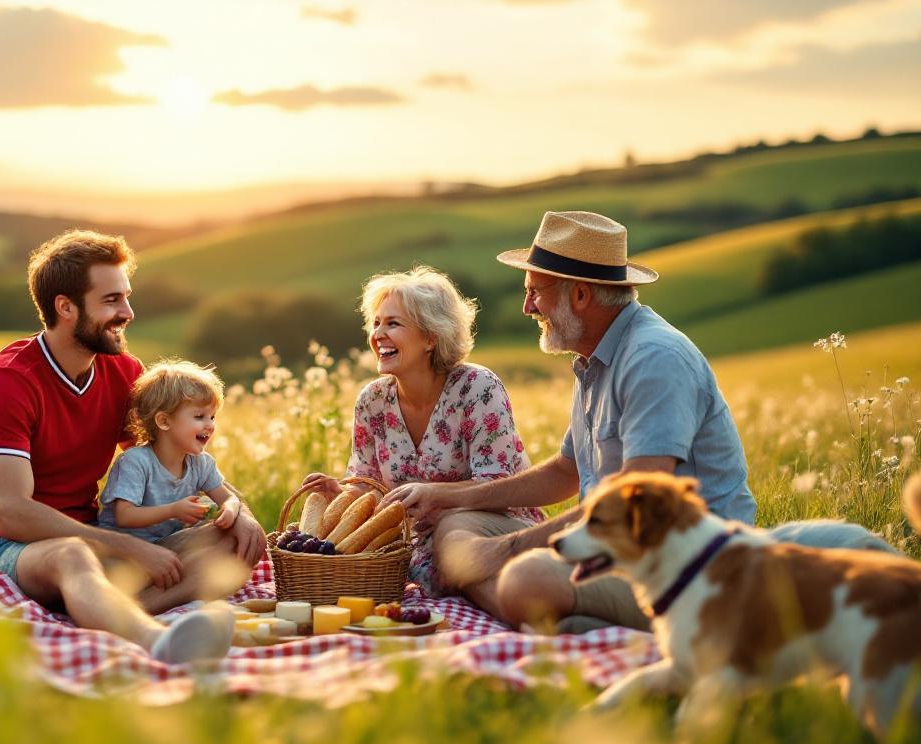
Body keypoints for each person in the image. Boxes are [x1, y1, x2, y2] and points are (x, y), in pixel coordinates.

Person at [382, 210, 754, 634]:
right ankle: (560, 615)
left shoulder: (654, 359)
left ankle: (541, 608)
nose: (527, 307)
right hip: (610, 545)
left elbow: (636, 495)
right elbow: (565, 471)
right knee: (455, 528)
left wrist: (506, 550)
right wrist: (451, 498)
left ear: (579, 295)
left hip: (685, 567)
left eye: (534, 292)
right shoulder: (595, 360)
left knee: (526, 576)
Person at [0, 230, 266, 664]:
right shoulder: (7, 382)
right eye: (112, 300)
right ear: (66, 307)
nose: (128, 313)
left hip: (90, 536)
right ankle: (157, 641)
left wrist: (237, 509)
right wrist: (127, 547)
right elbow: (11, 514)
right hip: (0, 547)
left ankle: (105, 609)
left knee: (232, 542)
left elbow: (168, 457)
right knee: (72, 554)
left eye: (126, 297)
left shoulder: (122, 372)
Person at [300, 266, 542, 595]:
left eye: (393, 324)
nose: (377, 334)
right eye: (376, 323)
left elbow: (496, 486)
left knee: (450, 557)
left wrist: (435, 497)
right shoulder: (372, 401)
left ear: (431, 337)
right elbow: (369, 487)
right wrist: (338, 493)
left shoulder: (477, 388)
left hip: (488, 532)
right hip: (412, 543)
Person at [98, 360, 242, 544]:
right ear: (164, 421)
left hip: (166, 545)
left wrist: (230, 508)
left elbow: (228, 498)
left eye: (212, 417)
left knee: (226, 536)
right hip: (124, 548)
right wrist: (173, 511)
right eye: (199, 417)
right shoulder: (135, 462)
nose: (210, 425)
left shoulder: (201, 463)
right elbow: (124, 516)